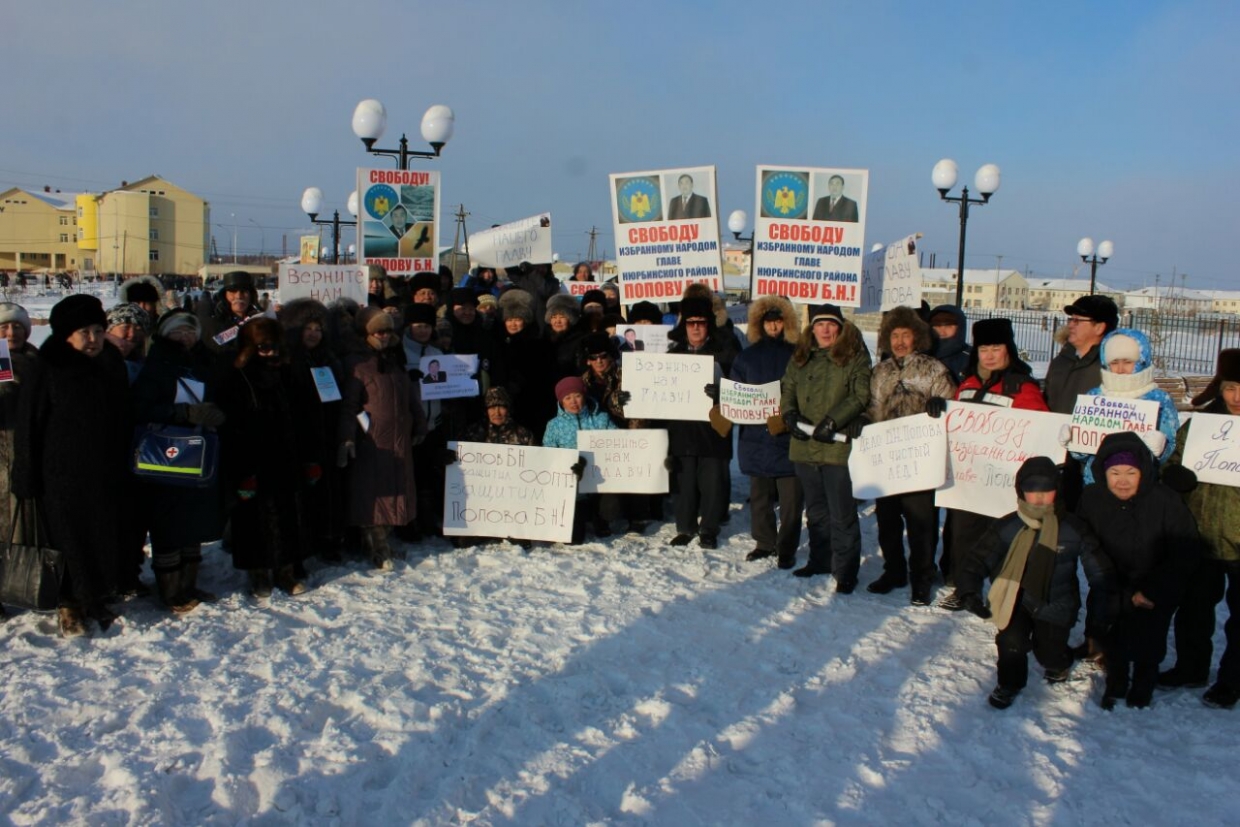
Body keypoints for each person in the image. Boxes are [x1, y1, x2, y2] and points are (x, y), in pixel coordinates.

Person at [12, 295, 131, 636]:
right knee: (67, 538)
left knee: (99, 534)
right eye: (84, 332)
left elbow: (124, 414)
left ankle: (94, 595)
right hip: (60, 471)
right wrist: (26, 472)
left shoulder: (111, 361)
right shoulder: (48, 363)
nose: (93, 339)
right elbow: (29, 422)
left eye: (98, 331)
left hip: (105, 468)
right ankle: (68, 605)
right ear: (66, 333)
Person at [955, 457, 1114, 709]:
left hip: (1056, 603)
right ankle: (1009, 684)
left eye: (1046, 491)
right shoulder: (1007, 526)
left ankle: (1060, 664)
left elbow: (1099, 573)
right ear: (1021, 492)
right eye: (1032, 491)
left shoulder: (1073, 528)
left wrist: (1101, 616)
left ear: (1057, 491)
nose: (1039, 499)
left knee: (1048, 655)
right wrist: (968, 590)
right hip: (1015, 599)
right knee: (1011, 642)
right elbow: (976, 560)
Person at [1076, 431, 1201, 709]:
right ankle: (1116, 683)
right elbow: (1086, 539)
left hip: (1155, 587)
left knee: (1150, 640)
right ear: (1103, 473)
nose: (1122, 480)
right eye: (1115, 472)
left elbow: (1186, 549)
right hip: (1113, 582)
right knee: (1115, 637)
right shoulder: (1092, 499)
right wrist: (1104, 576)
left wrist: (1154, 589)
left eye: (1131, 472)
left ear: (1143, 471)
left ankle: (1143, 687)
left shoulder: (1165, 501)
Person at [935, 318, 1048, 608]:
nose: (989, 354)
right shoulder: (969, 383)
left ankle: (1004, 595)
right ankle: (965, 589)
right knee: (963, 537)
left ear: (1008, 349)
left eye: (996, 348)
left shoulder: (1023, 387)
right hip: (970, 480)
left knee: (1005, 541)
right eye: (984, 348)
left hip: (1005, 484)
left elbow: (1039, 430)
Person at [131, 310, 226, 612]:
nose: (185, 337)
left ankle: (189, 585)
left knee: (192, 523)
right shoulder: (156, 364)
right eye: (178, 331)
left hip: (197, 453)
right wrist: (181, 413)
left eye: (190, 331)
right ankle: (170, 592)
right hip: (165, 456)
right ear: (165, 333)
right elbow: (141, 408)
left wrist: (217, 413)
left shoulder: (203, 363)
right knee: (168, 525)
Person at [862, 306, 957, 604]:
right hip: (887, 462)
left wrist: (940, 406)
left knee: (921, 525)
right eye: (895, 335)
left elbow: (952, 405)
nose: (900, 341)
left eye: (906, 334)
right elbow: (872, 409)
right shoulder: (880, 372)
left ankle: (922, 577)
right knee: (888, 522)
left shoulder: (934, 369)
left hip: (921, 463)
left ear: (917, 337)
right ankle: (894, 571)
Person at [1161, 350, 1240, 709]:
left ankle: (1231, 680)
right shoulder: (1202, 424)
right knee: (1193, 609)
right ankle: (1191, 667)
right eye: (1231, 387)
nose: (1237, 397)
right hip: (1200, 534)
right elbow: (1173, 460)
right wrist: (1173, 476)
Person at [216, 318, 313, 597]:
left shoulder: (287, 372)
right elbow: (232, 426)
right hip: (251, 459)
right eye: (263, 347)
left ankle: (285, 570)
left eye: (274, 347)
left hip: (286, 457)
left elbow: (303, 416)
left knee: (286, 517)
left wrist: (309, 457)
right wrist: (240, 470)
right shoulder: (237, 377)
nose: (270, 353)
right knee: (253, 520)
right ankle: (258, 573)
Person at [780, 304, 871, 589]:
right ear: (813, 328)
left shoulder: (854, 356)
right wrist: (789, 414)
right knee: (817, 511)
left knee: (841, 512)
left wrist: (834, 420)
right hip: (805, 446)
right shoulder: (800, 357)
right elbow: (788, 389)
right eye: (821, 324)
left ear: (840, 327)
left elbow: (860, 395)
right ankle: (820, 560)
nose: (826, 330)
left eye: (832, 324)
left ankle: (845, 571)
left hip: (837, 447)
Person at [337, 308, 427, 571]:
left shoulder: (393, 361)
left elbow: (410, 396)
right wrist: (347, 439)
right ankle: (377, 548)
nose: (385, 336)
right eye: (379, 331)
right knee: (373, 496)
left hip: (399, 439)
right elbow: (348, 405)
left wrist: (419, 422)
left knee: (395, 493)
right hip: (372, 441)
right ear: (366, 334)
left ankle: (383, 541)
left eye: (388, 331)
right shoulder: (357, 365)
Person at [730, 296, 803, 567]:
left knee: (791, 500)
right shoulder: (746, 356)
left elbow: (806, 392)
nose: (773, 326)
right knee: (760, 497)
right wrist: (724, 400)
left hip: (788, 437)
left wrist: (788, 415)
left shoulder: (799, 355)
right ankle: (764, 542)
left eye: (778, 320)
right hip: (756, 437)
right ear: (760, 324)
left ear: (787, 323)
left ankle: (787, 547)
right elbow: (737, 392)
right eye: (768, 321)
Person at [280, 299, 346, 562]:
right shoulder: (285, 361)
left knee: (327, 490)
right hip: (297, 434)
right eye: (308, 328)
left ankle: (327, 538)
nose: (313, 333)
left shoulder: (329, 358)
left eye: (318, 328)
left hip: (326, 432)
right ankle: (303, 541)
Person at [1071, 328, 1179, 485]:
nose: (1120, 369)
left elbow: (1171, 449)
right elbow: (1084, 453)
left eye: (1128, 362)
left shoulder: (1158, 399)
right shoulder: (1094, 397)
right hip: (1096, 485)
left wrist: (1162, 448)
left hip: (1140, 488)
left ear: (1141, 361)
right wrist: (1074, 442)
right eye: (1114, 362)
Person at [1045, 295, 1119, 508]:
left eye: (1078, 320)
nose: (1071, 325)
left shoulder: (1110, 366)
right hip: (1055, 455)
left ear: (1099, 327)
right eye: (1070, 319)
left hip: (1091, 464)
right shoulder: (1061, 360)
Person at [542, 376, 616, 544]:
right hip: (572, 489)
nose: (573, 401)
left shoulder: (602, 418)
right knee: (574, 539)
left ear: (584, 395)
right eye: (567, 398)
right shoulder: (554, 425)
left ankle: (601, 519)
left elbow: (619, 445)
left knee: (611, 508)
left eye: (577, 396)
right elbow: (549, 456)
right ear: (561, 402)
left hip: (600, 483)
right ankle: (579, 518)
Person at [0, 303, 38, 622]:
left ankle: (22, 581)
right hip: (2, 449)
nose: (11, 333)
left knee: (23, 523)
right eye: (4, 328)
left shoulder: (37, 358)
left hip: (27, 450)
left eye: (17, 327)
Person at [928, 304, 970, 385]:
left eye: (949, 326)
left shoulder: (971, 358)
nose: (942, 332)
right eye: (937, 326)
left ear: (959, 327)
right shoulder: (924, 355)